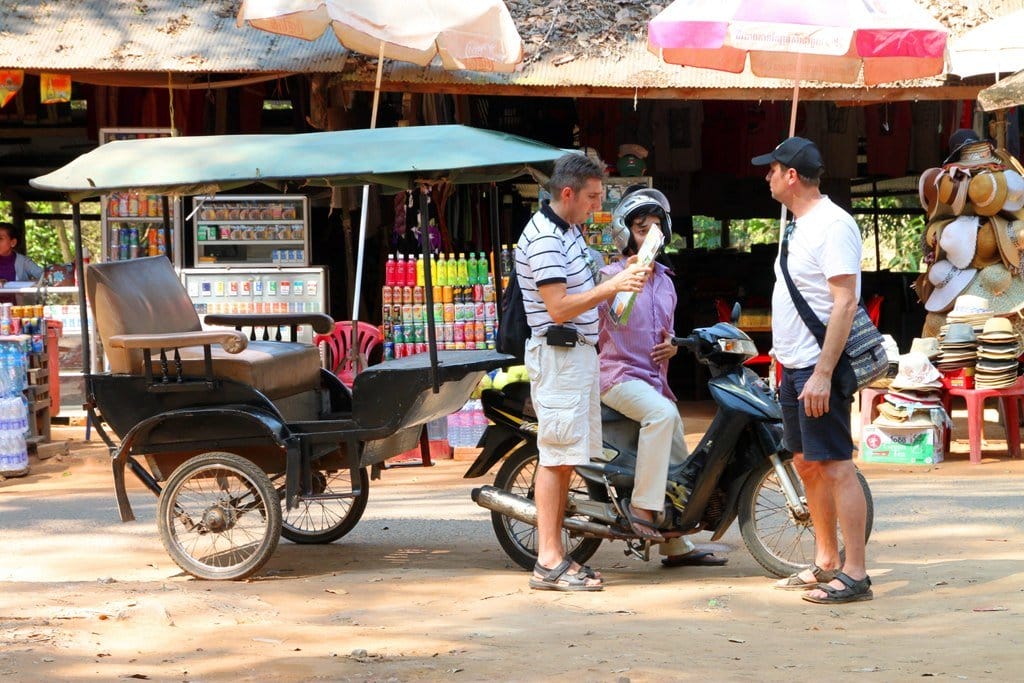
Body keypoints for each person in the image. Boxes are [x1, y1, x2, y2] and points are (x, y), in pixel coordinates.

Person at [516, 153, 650, 592]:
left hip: (577, 356)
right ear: (568, 193)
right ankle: (548, 560)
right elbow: (558, 307)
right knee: (556, 458)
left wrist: (622, 274)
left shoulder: (568, 231)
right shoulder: (543, 238)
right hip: (559, 356)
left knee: (566, 458)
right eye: (593, 197)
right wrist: (613, 286)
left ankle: (557, 555)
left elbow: (583, 287)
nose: (597, 205)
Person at [751, 137, 873, 604]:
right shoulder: (798, 224)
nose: (767, 177)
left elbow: (845, 301)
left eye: (772, 169)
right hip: (794, 364)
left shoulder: (833, 225)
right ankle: (826, 560)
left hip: (819, 367)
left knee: (836, 465)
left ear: (791, 176)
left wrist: (823, 373)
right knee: (805, 462)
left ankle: (855, 572)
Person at [597, 187, 726, 567]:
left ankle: (676, 543)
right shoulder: (610, 276)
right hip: (617, 375)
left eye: (656, 228)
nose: (650, 235)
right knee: (663, 415)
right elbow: (609, 321)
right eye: (641, 229)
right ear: (626, 234)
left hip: (653, 380)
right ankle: (642, 507)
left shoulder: (667, 282)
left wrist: (671, 346)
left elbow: (665, 334)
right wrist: (626, 281)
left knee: (678, 447)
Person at [0, 222, 44, 305]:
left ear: (13, 243)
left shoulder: (23, 262)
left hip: (18, 310)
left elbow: (45, 276)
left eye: (0, 238)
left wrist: (31, 283)